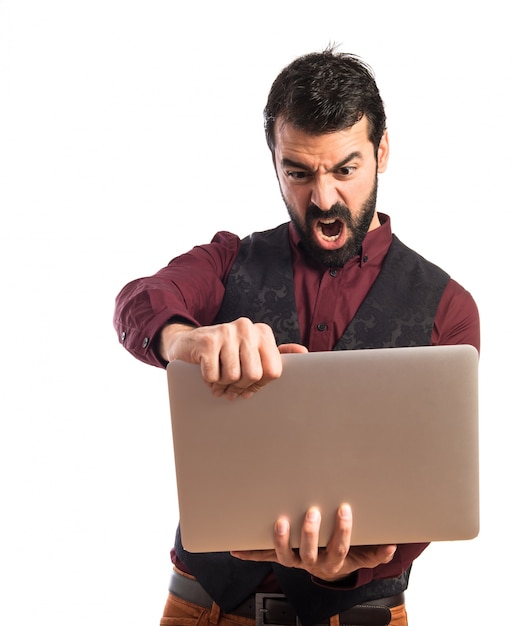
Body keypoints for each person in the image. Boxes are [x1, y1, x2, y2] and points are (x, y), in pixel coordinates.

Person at [114, 45, 480, 626]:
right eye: (299, 173)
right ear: (275, 162)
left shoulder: (448, 310)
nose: (325, 199)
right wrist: (184, 340)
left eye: (346, 168)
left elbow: (435, 492)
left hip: (358, 614)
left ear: (382, 151)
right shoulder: (229, 258)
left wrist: (350, 567)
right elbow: (139, 300)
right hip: (203, 605)